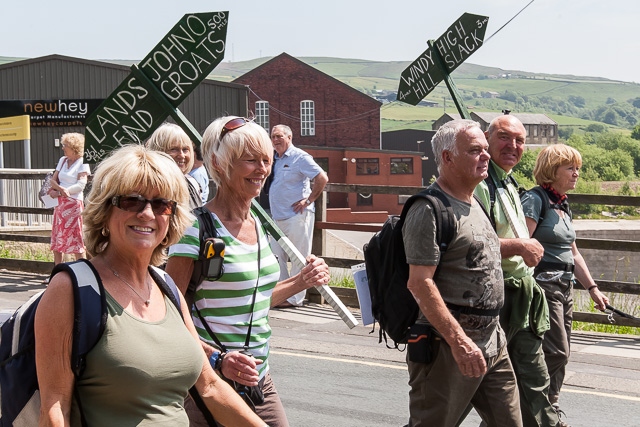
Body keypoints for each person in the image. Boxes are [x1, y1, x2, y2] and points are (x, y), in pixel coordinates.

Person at [34, 145, 266, 427]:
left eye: (161, 205)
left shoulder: (166, 286)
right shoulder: (72, 288)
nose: (146, 213)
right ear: (105, 212)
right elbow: (55, 408)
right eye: (132, 201)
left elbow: (210, 388)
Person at [165, 116, 331, 427]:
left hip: (258, 379)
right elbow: (168, 314)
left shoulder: (259, 223)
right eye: (250, 160)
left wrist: (301, 281)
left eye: (267, 160)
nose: (262, 169)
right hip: (206, 381)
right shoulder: (193, 228)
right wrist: (217, 358)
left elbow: (253, 301)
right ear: (219, 163)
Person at [403, 119, 522, 427]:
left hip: (493, 342)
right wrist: (459, 341)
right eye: (474, 150)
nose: (486, 156)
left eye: (485, 149)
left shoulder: (475, 202)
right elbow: (419, 282)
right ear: (447, 158)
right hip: (448, 348)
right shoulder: (428, 209)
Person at [474, 114, 564, 427]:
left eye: (520, 140)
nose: (513, 145)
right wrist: (520, 247)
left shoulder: (509, 184)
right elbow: (472, 245)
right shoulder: (482, 184)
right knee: (469, 388)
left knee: (532, 379)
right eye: (504, 137)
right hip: (493, 300)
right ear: (487, 139)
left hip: (521, 298)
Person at [521, 144, 609, 420]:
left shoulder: (562, 204)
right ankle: (540, 405)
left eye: (578, 169)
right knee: (557, 350)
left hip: (565, 286)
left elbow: (574, 253)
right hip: (544, 285)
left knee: (562, 352)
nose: (576, 174)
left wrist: (593, 289)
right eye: (570, 168)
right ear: (551, 170)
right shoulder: (536, 200)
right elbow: (523, 245)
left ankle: (551, 406)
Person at [268, 124, 329, 307]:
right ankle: (281, 294)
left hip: (297, 216)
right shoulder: (273, 159)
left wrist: (309, 200)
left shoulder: (300, 157)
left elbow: (322, 177)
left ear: (289, 137)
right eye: (273, 137)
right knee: (275, 257)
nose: (276, 140)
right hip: (276, 217)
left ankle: (295, 299)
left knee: (299, 257)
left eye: (279, 136)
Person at [48, 132, 90, 270]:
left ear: (73, 147)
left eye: (65, 145)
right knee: (57, 237)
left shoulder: (83, 162)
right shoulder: (63, 160)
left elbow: (81, 185)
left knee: (76, 238)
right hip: (60, 203)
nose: (63, 148)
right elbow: (53, 180)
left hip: (73, 204)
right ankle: (57, 271)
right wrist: (60, 190)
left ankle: (83, 272)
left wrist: (62, 191)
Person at [146, 122, 203, 210]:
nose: (182, 155)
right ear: (158, 151)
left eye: (185, 149)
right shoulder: (148, 186)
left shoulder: (193, 184)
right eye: (174, 149)